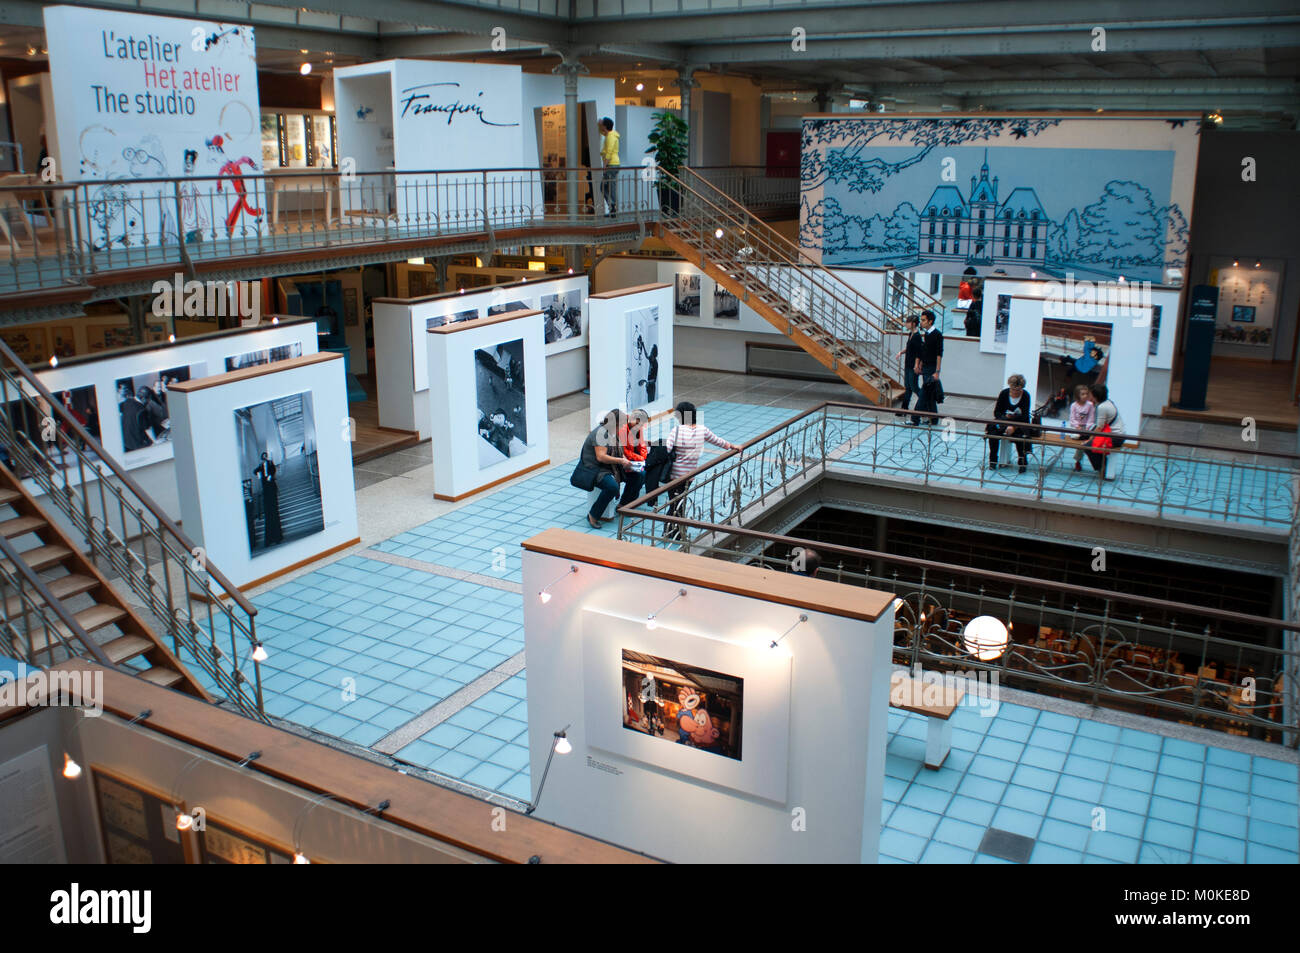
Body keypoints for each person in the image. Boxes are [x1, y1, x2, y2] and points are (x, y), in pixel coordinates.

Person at [663, 402, 739, 535]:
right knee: (681, 502)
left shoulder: (677, 431)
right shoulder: (702, 430)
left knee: (674, 504)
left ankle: (671, 532)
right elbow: (718, 441)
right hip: (690, 475)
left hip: (675, 475)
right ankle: (677, 531)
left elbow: (666, 449)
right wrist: (733, 446)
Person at [578, 409, 632, 528]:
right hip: (595, 469)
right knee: (611, 487)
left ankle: (624, 504)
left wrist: (625, 461)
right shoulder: (601, 434)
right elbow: (601, 457)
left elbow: (618, 450)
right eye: (622, 425)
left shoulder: (612, 433)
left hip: (608, 466)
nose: (623, 427)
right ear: (615, 424)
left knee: (638, 475)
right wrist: (621, 461)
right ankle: (593, 515)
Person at [986, 373, 1033, 473]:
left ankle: (1022, 460)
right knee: (993, 432)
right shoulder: (1004, 393)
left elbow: (1025, 416)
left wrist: (1014, 426)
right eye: (1013, 390)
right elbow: (997, 412)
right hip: (1004, 421)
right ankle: (993, 459)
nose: (1015, 392)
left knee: (1021, 436)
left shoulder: (1025, 396)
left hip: (1020, 423)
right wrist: (1006, 419)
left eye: (1018, 390)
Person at [1085, 383, 1127, 481]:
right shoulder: (1108, 402)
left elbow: (1099, 428)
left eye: (1090, 394)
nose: (1089, 396)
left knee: (1087, 447)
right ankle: (1103, 465)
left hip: (1115, 437)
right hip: (1117, 434)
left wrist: (1089, 440)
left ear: (1095, 396)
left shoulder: (1102, 407)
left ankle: (1102, 468)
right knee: (1088, 437)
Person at [914, 309, 943, 424]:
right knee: (929, 393)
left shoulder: (937, 335)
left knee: (924, 394)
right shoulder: (927, 334)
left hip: (931, 368)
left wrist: (937, 371)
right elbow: (925, 351)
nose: (921, 322)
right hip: (926, 367)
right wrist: (920, 364)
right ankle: (934, 418)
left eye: (923, 320)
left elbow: (939, 354)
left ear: (930, 321)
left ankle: (915, 417)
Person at [895, 314, 923, 424]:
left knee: (914, 386)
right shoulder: (911, 334)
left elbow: (918, 352)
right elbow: (910, 348)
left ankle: (926, 403)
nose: (906, 324)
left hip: (912, 365)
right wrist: (901, 352)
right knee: (908, 387)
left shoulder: (917, 336)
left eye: (908, 322)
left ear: (913, 323)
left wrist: (916, 365)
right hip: (908, 363)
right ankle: (904, 408)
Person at [254, 452, 282, 546]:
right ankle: (269, 539)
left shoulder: (270, 463)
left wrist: (270, 476)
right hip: (266, 490)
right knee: (268, 513)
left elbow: (273, 470)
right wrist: (259, 475)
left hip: (271, 489)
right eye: (263, 457)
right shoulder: (260, 466)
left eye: (266, 456)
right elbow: (255, 471)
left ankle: (277, 537)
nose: (265, 458)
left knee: (274, 511)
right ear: (262, 458)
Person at [1067, 384, 1097, 471]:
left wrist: (1087, 428)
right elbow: (1072, 419)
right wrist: (1077, 426)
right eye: (1082, 394)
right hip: (1076, 428)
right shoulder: (1074, 405)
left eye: (1086, 394)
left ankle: (1078, 461)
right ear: (1077, 395)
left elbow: (1091, 419)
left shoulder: (1090, 405)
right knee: (1076, 437)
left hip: (1087, 428)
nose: (1085, 396)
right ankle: (1078, 460)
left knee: (1083, 443)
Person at [598, 117, 621, 217]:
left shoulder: (611, 137)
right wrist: (599, 125)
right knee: (605, 187)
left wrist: (605, 165)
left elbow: (609, 152)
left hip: (612, 165)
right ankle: (612, 208)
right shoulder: (609, 134)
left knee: (609, 187)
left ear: (605, 126)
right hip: (612, 164)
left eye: (602, 124)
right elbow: (603, 133)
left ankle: (614, 209)